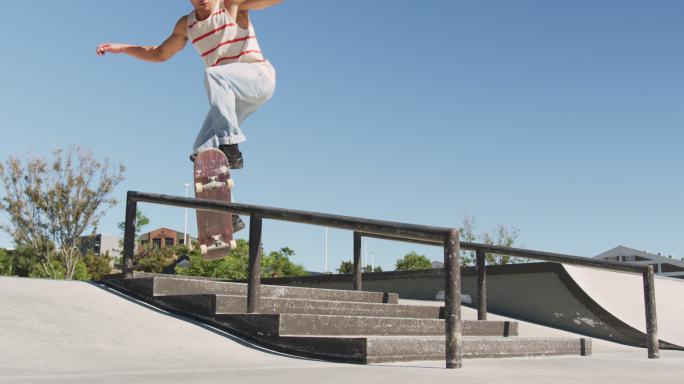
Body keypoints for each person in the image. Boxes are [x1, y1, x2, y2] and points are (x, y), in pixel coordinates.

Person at [97, 0, 282, 232]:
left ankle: (231, 146)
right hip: (231, 96)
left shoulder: (230, 5)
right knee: (202, 152)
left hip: (258, 78)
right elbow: (160, 53)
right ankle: (228, 213)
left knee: (214, 75)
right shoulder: (187, 25)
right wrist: (124, 48)